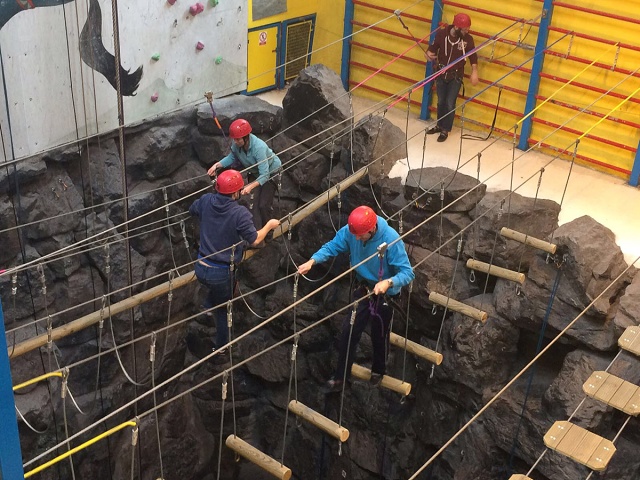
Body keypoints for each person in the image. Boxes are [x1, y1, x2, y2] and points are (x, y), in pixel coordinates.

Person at [297, 206, 415, 391]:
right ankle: (340, 377)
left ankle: (378, 370)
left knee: (379, 333)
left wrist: (389, 282)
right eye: (355, 235)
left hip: (386, 293)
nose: (357, 239)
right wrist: (313, 261)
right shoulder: (352, 231)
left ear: (372, 229)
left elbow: (408, 273)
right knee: (349, 331)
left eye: (361, 236)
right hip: (364, 287)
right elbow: (333, 246)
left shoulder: (391, 239)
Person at [190, 169, 280, 361]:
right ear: (236, 193)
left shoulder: (206, 200)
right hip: (221, 273)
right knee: (223, 309)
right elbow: (255, 239)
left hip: (201, 267)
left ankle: (207, 305)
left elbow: (193, 209)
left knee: (216, 292)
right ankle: (221, 350)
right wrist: (269, 225)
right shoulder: (240, 213)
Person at [207, 118, 282, 231]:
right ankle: (257, 233)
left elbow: (265, 174)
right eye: (234, 139)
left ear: (246, 137)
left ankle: (269, 231)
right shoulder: (237, 145)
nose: (235, 142)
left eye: (238, 139)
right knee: (253, 205)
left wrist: (250, 186)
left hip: (271, 172)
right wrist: (217, 165)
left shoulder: (259, 148)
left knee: (263, 205)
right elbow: (232, 157)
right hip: (255, 172)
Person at [425, 12, 479, 143]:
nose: (467, 31)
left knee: (450, 103)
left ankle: (445, 129)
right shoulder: (442, 34)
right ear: (456, 27)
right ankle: (439, 125)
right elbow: (432, 48)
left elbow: (473, 56)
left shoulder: (468, 39)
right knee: (440, 101)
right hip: (441, 73)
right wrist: (428, 54)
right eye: (464, 29)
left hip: (455, 76)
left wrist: (474, 71)